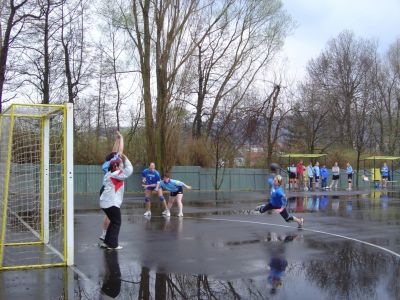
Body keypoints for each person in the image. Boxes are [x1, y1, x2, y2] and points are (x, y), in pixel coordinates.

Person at [99, 154, 133, 250]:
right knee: (117, 222)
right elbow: (129, 171)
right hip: (111, 203)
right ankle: (113, 244)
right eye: (120, 164)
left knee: (113, 222)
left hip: (105, 202)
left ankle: (107, 242)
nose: (122, 166)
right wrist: (125, 158)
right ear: (116, 166)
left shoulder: (108, 174)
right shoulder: (116, 174)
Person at [100, 131, 124, 241]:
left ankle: (104, 234)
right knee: (113, 216)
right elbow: (120, 151)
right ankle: (108, 237)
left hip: (104, 189)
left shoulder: (107, 162)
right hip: (111, 190)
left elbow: (114, 151)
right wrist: (121, 138)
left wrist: (117, 139)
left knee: (108, 215)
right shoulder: (115, 163)